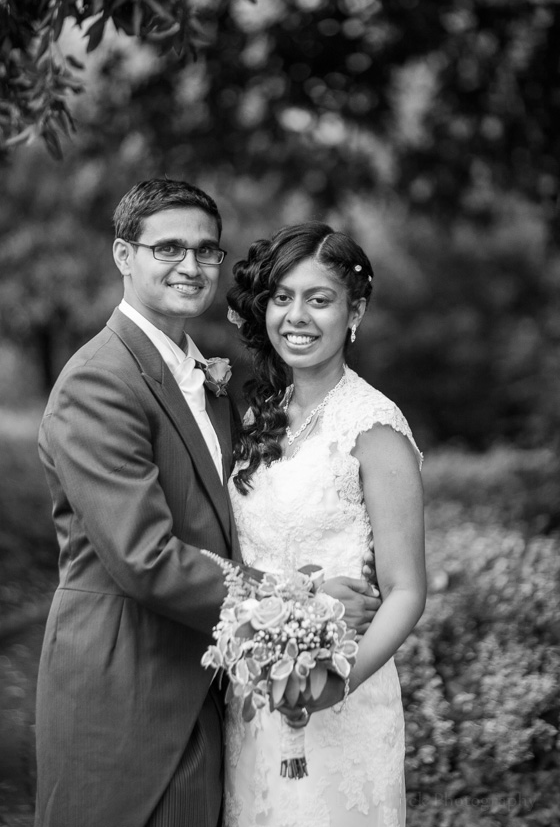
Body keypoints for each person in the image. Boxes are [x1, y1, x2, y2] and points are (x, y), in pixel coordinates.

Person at [35, 180, 381, 827]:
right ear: (122, 256)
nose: (191, 266)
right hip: (130, 692)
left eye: (206, 251)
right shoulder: (98, 382)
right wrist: (301, 602)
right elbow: (145, 557)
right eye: (168, 248)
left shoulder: (209, 377)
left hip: (219, 688)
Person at [224, 222, 426, 827]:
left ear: (354, 312)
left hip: (343, 694)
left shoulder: (375, 428)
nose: (296, 316)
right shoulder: (263, 415)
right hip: (255, 692)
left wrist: (338, 681)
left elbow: (406, 591)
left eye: (319, 299)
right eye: (282, 297)